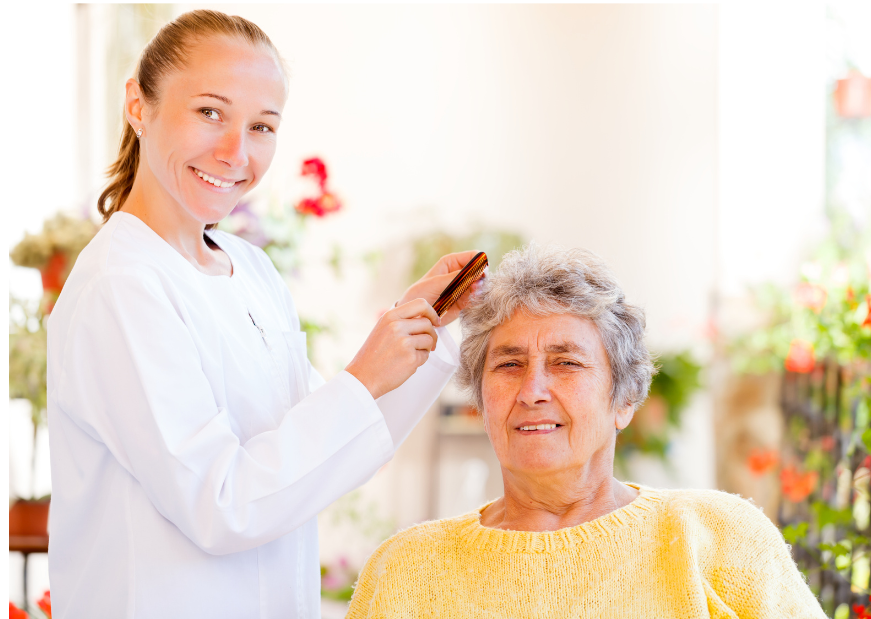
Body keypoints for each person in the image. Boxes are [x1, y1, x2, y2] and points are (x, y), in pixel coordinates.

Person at [46, 10, 480, 618]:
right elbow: (222, 503)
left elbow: (313, 458)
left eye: (262, 126)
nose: (235, 152)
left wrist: (426, 328)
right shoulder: (122, 286)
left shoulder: (249, 269)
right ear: (138, 106)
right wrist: (364, 376)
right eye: (210, 113)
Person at [347, 244, 827, 619]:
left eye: (566, 363)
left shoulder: (718, 538)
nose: (532, 390)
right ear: (481, 400)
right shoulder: (405, 571)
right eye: (509, 364)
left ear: (624, 399)